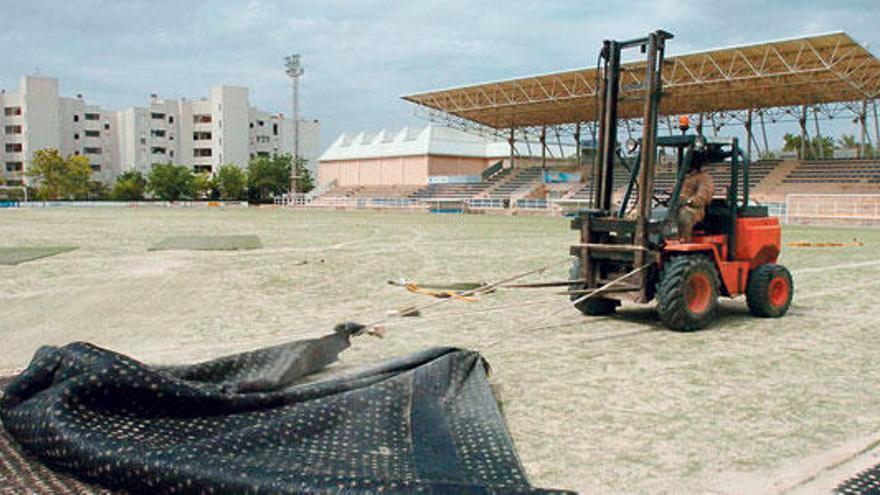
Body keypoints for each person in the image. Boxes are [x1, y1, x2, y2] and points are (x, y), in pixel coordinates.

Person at [677, 157, 714, 242]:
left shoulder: (704, 178)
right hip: (678, 206)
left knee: (684, 214)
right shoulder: (682, 178)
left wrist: (690, 201)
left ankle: (684, 240)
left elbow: (704, 195)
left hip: (695, 209)